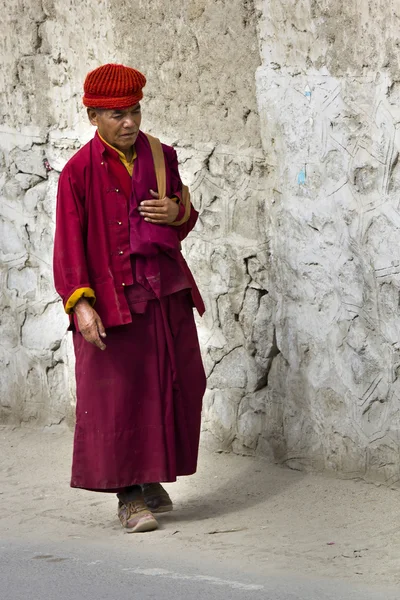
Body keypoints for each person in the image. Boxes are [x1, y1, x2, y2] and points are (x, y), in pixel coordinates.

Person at [53, 63, 206, 533]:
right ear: (93, 116)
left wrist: (176, 210)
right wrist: (80, 304)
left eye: (135, 111)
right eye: (117, 114)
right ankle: (128, 496)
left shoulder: (161, 156)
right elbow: (68, 243)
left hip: (162, 292)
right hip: (110, 299)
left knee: (175, 383)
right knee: (117, 396)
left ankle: (152, 477)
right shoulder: (78, 172)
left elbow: (182, 216)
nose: (130, 122)